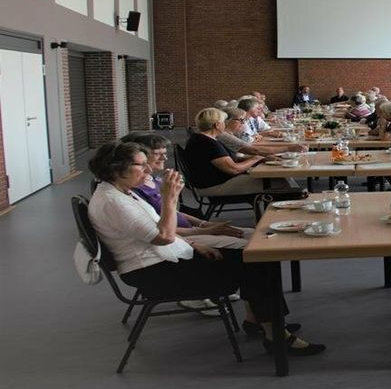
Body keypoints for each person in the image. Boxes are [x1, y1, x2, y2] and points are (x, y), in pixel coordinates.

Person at [87, 141, 324, 354]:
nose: (148, 170)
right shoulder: (113, 202)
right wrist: (169, 198)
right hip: (154, 273)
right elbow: (164, 236)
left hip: (162, 259)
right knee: (256, 260)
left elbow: (157, 233)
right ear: (116, 169)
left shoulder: (120, 191)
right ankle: (276, 335)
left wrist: (194, 243)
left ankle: (263, 321)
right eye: (141, 165)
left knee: (255, 256)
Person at [120, 132, 251, 247]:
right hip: (182, 238)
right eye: (157, 154)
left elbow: (174, 212)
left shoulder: (154, 180)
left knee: (254, 234)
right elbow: (158, 231)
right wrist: (205, 231)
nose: (165, 158)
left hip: (193, 229)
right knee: (249, 244)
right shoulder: (134, 190)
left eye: (165, 153)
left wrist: (203, 223)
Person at [184, 108, 267, 197]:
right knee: (275, 182)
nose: (225, 124)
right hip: (215, 186)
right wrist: (255, 159)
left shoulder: (201, 138)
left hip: (216, 182)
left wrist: (259, 159)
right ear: (217, 125)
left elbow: (227, 159)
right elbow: (234, 169)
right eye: (224, 121)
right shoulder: (207, 143)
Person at [218, 107, 304, 157]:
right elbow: (255, 150)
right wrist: (289, 148)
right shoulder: (223, 135)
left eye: (244, 120)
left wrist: (259, 159)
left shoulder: (229, 134)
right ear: (226, 121)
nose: (243, 123)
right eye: (240, 120)